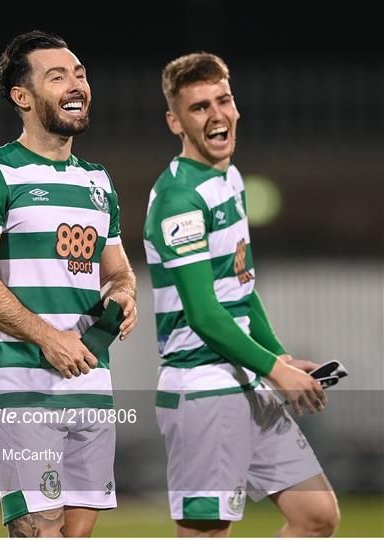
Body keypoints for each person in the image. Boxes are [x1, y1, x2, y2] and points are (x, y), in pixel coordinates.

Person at [0, 30, 137, 538]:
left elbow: (117, 269)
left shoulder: (98, 181)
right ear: (22, 97)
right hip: (19, 386)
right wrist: (49, 338)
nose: (76, 85)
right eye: (58, 77)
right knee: (40, 532)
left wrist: (124, 293)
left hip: (91, 383)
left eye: (79, 74)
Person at [143, 52, 340, 537]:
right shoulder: (178, 200)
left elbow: (242, 289)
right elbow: (205, 316)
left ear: (236, 106)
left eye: (222, 100)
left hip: (247, 380)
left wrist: (281, 357)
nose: (215, 115)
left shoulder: (228, 180)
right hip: (203, 389)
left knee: (316, 518)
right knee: (208, 533)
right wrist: (276, 371)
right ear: (175, 121)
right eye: (198, 107)